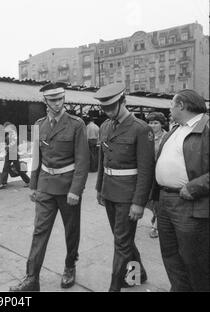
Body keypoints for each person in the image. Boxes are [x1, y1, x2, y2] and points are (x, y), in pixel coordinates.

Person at [10, 82, 89, 291]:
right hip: (45, 185)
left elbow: (82, 161)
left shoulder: (76, 124)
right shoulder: (39, 125)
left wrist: (75, 190)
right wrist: (33, 186)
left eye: (60, 99)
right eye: (52, 100)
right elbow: (36, 157)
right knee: (39, 231)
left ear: (64, 99)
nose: (57, 103)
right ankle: (31, 278)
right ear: (45, 101)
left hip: (67, 188)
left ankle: (70, 266)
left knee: (71, 231)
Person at [94, 83, 155, 292]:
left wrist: (139, 202)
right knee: (123, 239)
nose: (108, 111)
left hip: (128, 195)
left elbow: (146, 170)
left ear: (123, 102)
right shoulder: (104, 127)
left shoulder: (141, 129)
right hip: (110, 191)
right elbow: (103, 161)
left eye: (112, 107)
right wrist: (99, 188)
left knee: (121, 241)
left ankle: (114, 287)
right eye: (105, 108)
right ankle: (138, 274)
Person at [152, 89, 209, 292]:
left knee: (194, 260)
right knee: (170, 255)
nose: (169, 110)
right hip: (165, 201)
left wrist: (194, 187)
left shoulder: (207, 127)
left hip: (190, 204)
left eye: (171, 105)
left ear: (182, 105)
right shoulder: (176, 129)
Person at [145, 112, 168, 239]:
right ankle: (155, 215)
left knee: (158, 200)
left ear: (161, 124)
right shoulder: (146, 136)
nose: (152, 125)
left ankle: (156, 226)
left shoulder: (166, 137)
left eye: (155, 123)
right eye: (150, 122)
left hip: (160, 174)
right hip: (148, 174)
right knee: (149, 200)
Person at [0, 122, 30, 189]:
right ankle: (3, 183)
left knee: (17, 168)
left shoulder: (13, 133)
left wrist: (7, 146)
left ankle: (28, 181)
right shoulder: (9, 134)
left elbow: (14, 142)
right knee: (5, 168)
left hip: (13, 153)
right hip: (9, 153)